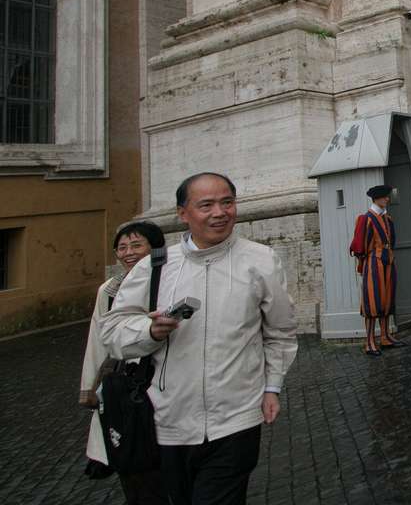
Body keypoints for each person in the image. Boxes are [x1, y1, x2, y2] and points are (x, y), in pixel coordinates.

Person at [103, 173, 298, 505]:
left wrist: (272, 387)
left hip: (237, 417)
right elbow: (112, 333)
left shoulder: (261, 260)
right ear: (183, 214)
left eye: (227, 202)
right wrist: (148, 331)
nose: (219, 213)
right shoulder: (155, 267)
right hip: (168, 420)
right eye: (206, 205)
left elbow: (280, 331)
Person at [80, 222, 168, 503]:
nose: (128, 252)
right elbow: (97, 339)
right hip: (125, 387)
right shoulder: (109, 289)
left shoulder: (170, 279)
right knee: (133, 457)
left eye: (136, 245)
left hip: (164, 380)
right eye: (122, 247)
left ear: (155, 248)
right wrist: (89, 388)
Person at [350, 184, 399, 356]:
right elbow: (359, 247)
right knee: (372, 301)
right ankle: (369, 342)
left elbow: (392, 241)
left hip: (388, 261)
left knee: (387, 300)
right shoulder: (366, 219)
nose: (387, 199)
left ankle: (385, 337)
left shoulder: (388, 219)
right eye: (385, 196)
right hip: (373, 263)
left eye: (387, 196)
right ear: (376, 198)